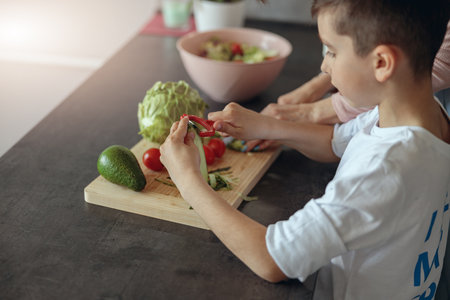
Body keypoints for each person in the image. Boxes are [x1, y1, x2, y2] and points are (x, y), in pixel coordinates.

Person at [160, 0, 450, 299]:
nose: (325, 66)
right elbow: (336, 142)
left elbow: (272, 259)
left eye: (332, 52)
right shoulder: (424, 115)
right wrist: (265, 126)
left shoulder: (383, 170)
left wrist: (187, 179)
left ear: (382, 63)